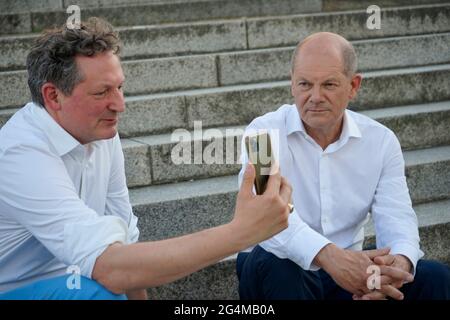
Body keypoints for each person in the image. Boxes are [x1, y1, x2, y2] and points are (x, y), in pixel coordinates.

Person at [0, 18, 292, 300]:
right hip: (17, 289)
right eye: (102, 92)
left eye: (120, 88)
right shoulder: (21, 153)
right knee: (96, 292)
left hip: (78, 276)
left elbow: (124, 246)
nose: (120, 105)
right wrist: (239, 233)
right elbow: (113, 269)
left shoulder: (101, 133)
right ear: (53, 96)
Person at [236, 32, 450, 300]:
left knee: (435, 278)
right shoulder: (261, 135)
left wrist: (398, 264)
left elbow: (396, 216)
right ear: (292, 84)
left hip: (347, 276)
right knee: (277, 263)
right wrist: (329, 256)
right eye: (304, 84)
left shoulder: (381, 141)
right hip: (279, 268)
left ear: (353, 85)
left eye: (329, 84)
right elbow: (266, 218)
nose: (315, 96)